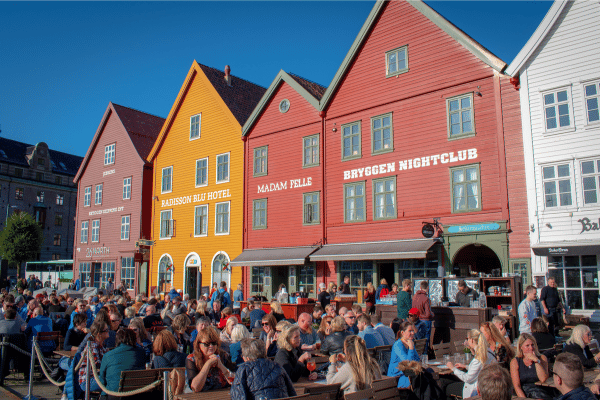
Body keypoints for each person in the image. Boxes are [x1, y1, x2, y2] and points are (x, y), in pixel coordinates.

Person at [231, 338, 296, 400]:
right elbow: (292, 393)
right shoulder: (277, 366)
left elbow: (238, 396)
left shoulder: (243, 369)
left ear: (247, 358)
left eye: (243, 356)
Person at [443, 329, 495, 398]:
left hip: (475, 389)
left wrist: (453, 368)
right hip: (487, 385)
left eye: (467, 338)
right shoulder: (488, 352)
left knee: (446, 386)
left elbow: (467, 378)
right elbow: (479, 368)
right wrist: (465, 366)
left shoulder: (478, 358)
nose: (467, 341)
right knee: (446, 381)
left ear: (472, 340)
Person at [186, 327, 236, 392]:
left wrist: (221, 366)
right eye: (207, 344)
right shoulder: (192, 359)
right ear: (199, 345)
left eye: (214, 343)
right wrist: (208, 364)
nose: (211, 346)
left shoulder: (224, 356)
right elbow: (195, 388)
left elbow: (235, 382)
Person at [98, 328, 145, 395]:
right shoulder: (141, 352)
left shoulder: (108, 355)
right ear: (134, 339)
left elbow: (102, 381)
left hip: (113, 395)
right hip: (136, 395)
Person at [509, 333, 551, 399]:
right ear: (521, 347)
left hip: (541, 392)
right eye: (527, 346)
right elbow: (516, 386)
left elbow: (543, 379)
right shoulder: (515, 362)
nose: (531, 348)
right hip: (524, 392)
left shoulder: (542, 358)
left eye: (532, 345)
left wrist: (536, 361)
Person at [79, 320, 110, 393]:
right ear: (99, 334)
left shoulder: (102, 345)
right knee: (111, 381)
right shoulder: (92, 346)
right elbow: (98, 365)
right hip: (88, 380)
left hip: (97, 377)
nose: (108, 331)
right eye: (106, 330)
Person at [387, 321, 421, 388]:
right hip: (396, 376)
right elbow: (407, 364)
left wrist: (411, 347)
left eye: (413, 331)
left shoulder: (410, 342)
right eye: (410, 331)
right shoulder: (398, 345)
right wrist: (411, 349)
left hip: (406, 373)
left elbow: (417, 359)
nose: (413, 333)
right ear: (402, 333)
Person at [412, 280, 433, 352]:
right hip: (425, 321)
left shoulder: (414, 297)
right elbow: (428, 314)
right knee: (425, 341)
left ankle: (418, 357)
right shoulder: (426, 298)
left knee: (417, 340)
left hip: (416, 321)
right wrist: (432, 315)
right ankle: (424, 358)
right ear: (427, 288)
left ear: (420, 288)